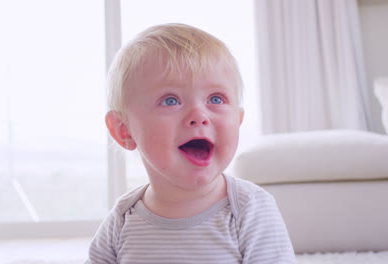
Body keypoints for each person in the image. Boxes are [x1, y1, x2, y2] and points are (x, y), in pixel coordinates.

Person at [86, 23, 295, 264]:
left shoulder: (250, 210)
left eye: (215, 98)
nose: (199, 115)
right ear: (125, 130)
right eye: (171, 100)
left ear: (238, 120)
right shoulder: (123, 219)